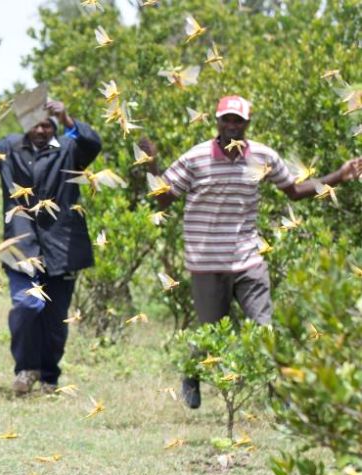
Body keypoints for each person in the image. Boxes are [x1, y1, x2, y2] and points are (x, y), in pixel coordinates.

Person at [150, 94, 362, 409]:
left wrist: (339, 176)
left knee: (264, 330)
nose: (232, 126)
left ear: (247, 124)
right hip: (207, 262)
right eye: (227, 120)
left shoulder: (263, 156)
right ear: (217, 122)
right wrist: (151, 163)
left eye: (239, 120)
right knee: (211, 335)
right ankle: (192, 374)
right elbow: (163, 199)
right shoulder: (195, 158)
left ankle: (281, 398)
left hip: (248, 258)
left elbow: (295, 191)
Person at [0, 101, 102, 396]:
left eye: (47, 124)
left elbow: (92, 143)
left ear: (55, 126)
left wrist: (66, 114)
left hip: (63, 245)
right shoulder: (9, 148)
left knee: (55, 319)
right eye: (35, 124)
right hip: (21, 244)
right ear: (25, 125)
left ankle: (49, 377)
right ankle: (25, 369)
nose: (40, 129)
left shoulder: (69, 149)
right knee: (26, 304)